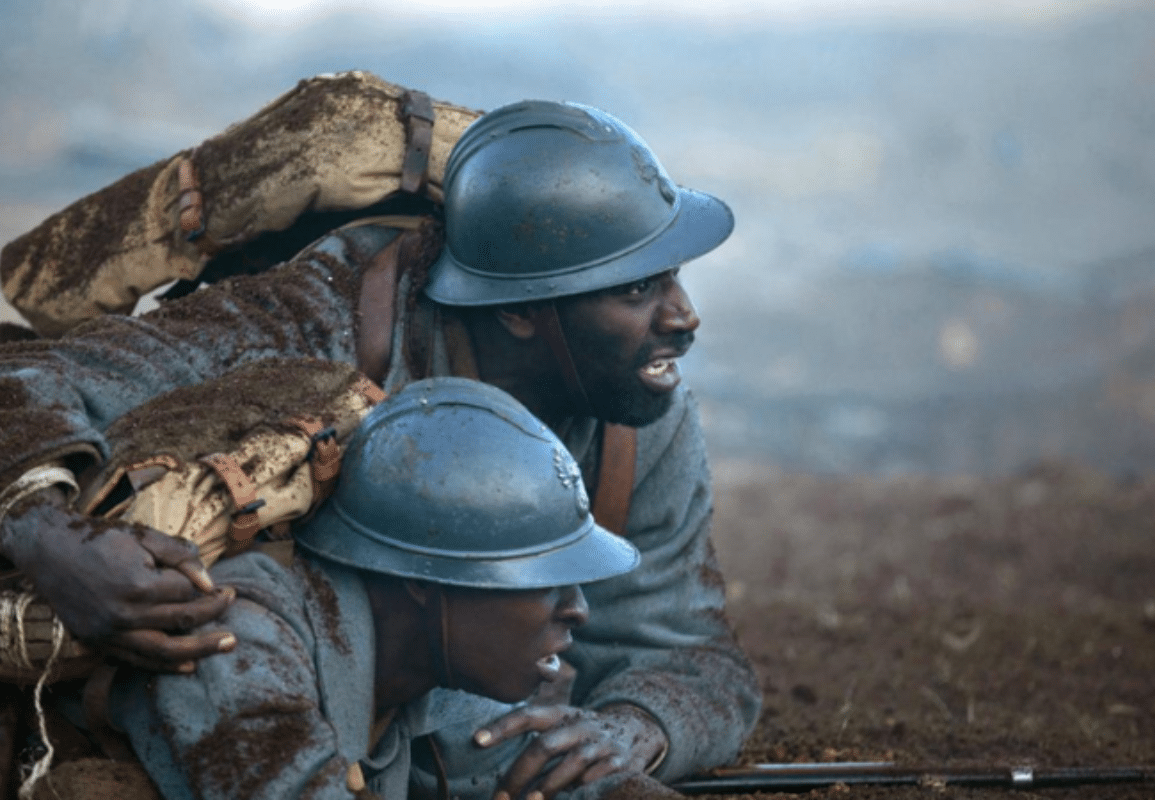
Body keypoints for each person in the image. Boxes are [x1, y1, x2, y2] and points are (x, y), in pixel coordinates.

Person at [0, 99, 761, 794]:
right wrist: (50, 537)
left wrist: (631, 731)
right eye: (635, 289)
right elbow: (30, 376)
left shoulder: (636, 417)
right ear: (523, 312)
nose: (684, 316)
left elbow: (695, 655)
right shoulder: (310, 327)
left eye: (673, 277)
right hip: (226, 686)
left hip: (450, 737)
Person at [105, 377, 640, 799]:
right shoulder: (236, 643)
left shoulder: (428, 667)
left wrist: (603, 760)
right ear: (423, 580)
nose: (578, 611)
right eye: (546, 580)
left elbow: (550, 771)